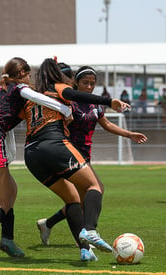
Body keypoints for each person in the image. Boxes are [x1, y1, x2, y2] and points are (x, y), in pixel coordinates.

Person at [0, 57, 72, 263]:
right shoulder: (17, 88)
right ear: (21, 73)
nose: (30, 78)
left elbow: (6, 124)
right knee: (3, 199)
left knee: (11, 190)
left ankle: (7, 240)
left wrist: (8, 155)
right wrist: (65, 109)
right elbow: (38, 98)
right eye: (28, 74)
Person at [22, 58, 130, 261]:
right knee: (94, 187)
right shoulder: (60, 89)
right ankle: (89, 230)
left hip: (31, 153)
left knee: (74, 200)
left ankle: (83, 248)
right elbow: (73, 94)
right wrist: (109, 101)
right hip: (57, 147)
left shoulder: (31, 97)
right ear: (58, 75)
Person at [36, 65, 147, 249]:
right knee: (96, 189)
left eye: (92, 84)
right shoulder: (69, 101)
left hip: (84, 155)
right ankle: (88, 233)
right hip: (68, 153)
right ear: (75, 82)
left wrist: (129, 134)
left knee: (81, 200)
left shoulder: (95, 104)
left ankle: (48, 224)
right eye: (85, 83)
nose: (89, 87)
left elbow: (107, 124)